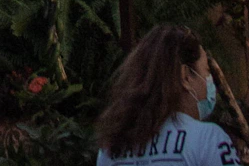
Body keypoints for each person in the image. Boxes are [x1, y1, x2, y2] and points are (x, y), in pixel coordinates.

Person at [95, 24, 239, 166]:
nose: (209, 80)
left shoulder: (111, 147)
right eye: (206, 71)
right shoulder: (208, 140)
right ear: (186, 76)